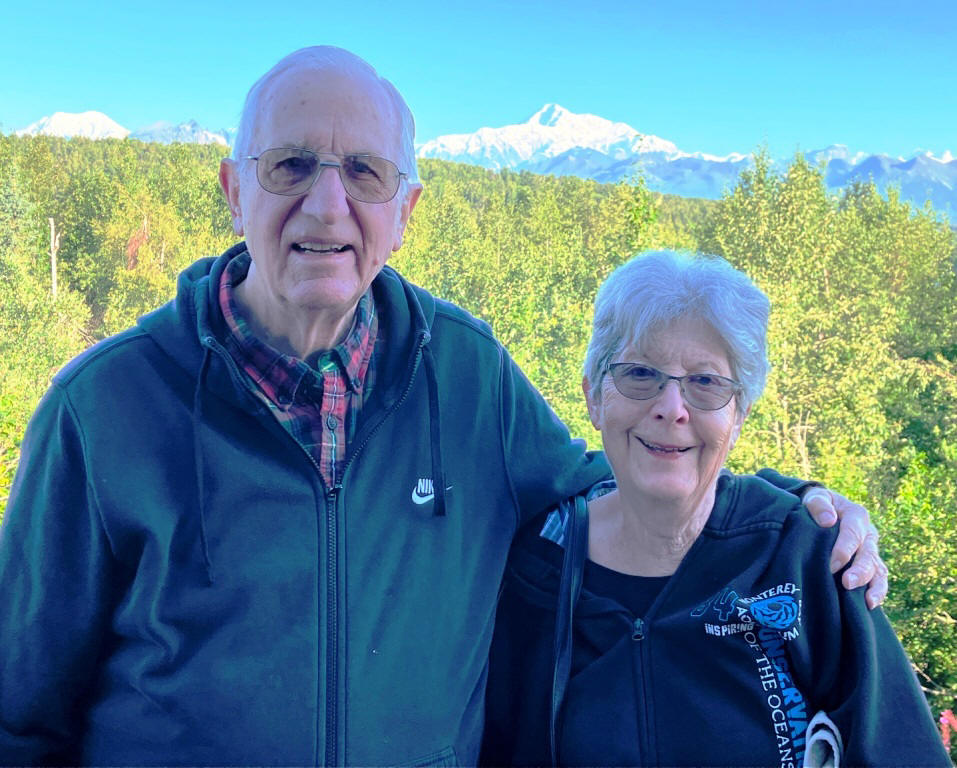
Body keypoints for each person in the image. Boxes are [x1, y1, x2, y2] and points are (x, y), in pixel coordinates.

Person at [0, 48, 885, 766]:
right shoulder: (102, 410)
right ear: (235, 190)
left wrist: (794, 509)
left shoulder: (463, 372)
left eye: (364, 173)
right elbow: (19, 715)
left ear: (406, 211)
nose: (327, 206)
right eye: (291, 165)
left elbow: (607, 484)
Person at [481, 250, 949, 767]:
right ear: (594, 398)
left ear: (739, 413)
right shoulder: (533, 573)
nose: (671, 408)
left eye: (705, 382)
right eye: (640, 373)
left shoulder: (808, 557)